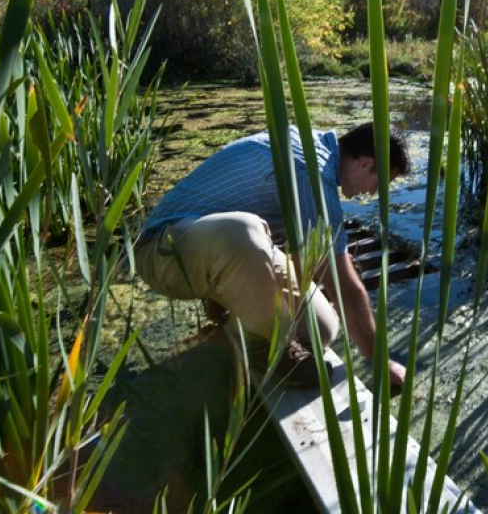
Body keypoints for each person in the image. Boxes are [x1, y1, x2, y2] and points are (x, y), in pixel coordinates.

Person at [134, 122, 410, 390]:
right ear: (365, 163)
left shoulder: (316, 153)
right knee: (244, 230)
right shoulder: (310, 169)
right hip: (164, 250)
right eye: (380, 183)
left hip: (218, 253)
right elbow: (344, 286)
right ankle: (270, 349)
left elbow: (306, 258)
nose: (374, 193)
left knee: (322, 329)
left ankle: (231, 313)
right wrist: (381, 361)